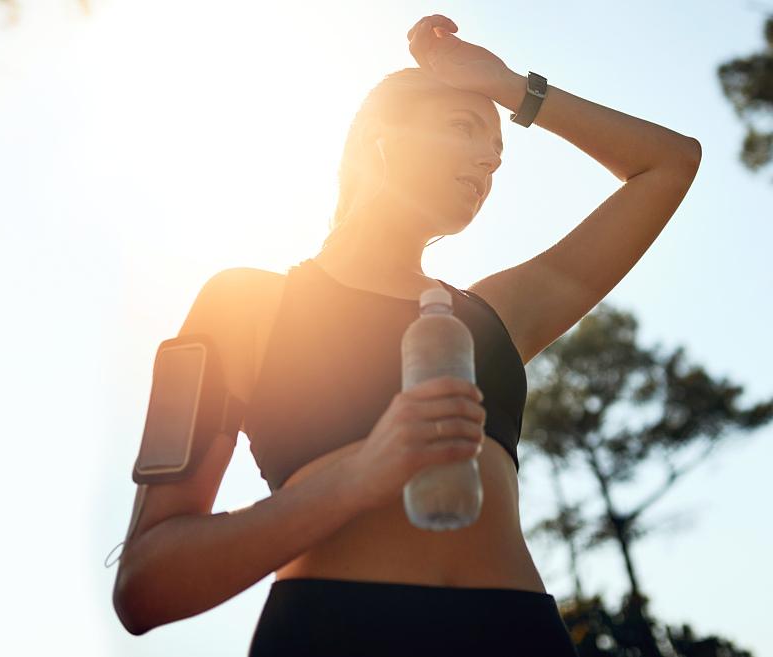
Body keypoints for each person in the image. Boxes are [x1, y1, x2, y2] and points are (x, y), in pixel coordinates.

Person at [112, 13, 701, 656]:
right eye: (462, 128)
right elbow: (147, 582)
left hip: (518, 634)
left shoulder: (495, 316)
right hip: (333, 631)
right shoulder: (245, 304)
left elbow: (669, 164)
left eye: (498, 158)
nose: (487, 159)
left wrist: (508, 87)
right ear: (378, 139)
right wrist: (359, 473)